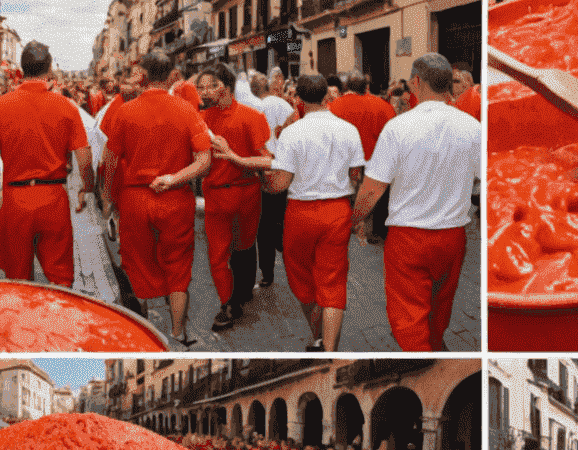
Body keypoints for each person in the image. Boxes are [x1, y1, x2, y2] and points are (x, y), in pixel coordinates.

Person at [353, 53, 482, 351]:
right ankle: (436, 346)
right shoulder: (472, 128)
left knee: (408, 319)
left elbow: (372, 190)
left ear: (416, 82)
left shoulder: (398, 128)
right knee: (440, 308)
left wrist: (355, 219)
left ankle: (426, 358)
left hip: (408, 238)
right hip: (452, 237)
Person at [100, 49, 212, 345]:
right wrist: (175, 178)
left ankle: (144, 333)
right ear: (171, 76)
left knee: (138, 266)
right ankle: (178, 332)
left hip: (135, 200)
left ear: (145, 76)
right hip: (175, 198)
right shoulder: (187, 110)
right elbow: (204, 161)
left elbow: (110, 160)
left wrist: (107, 198)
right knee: (178, 266)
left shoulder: (125, 111)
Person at [0, 43, 95, 287]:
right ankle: (55, 322)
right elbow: (84, 157)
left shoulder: (0, 105)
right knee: (61, 279)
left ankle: (24, 324)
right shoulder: (66, 106)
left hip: (16, 199)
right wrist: (87, 188)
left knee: (19, 282)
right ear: (49, 68)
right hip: (53, 197)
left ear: (22, 68)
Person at [265, 72, 364, 351]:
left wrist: (264, 180)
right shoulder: (349, 130)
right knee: (333, 281)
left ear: (298, 99)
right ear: (327, 96)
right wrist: (356, 218)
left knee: (301, 277)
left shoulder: (292, 133)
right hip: (337, 209)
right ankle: (329, 347)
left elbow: (281, 183)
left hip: (301, 212)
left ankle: (317, 335)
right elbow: (355, 176)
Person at [195, 63, 273, 331]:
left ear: (225, 87)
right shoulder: (202, 120)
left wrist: (234, 157)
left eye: (210, 86)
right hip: (222, 194)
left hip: (243, 193)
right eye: (201, 86)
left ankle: (239, 294)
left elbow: (267, 160)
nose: (204, 91)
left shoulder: (251, 116)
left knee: (242, 247)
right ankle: (229, 302)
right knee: (220, 254)